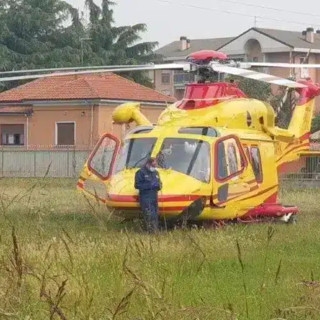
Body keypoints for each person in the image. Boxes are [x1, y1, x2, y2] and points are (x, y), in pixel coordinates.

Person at [134, 157, 162, 233]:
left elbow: (159, 182)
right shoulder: (140, 172)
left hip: (154, 196)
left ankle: (155, 230)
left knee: (155, 214)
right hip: (145, 196)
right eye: (153, 165)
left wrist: (159, 186)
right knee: (149, 214)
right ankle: (150, 231)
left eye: (155, 166)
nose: (154, 167)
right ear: (148, 164)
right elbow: (137, 185)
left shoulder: (156, 172)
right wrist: (150, 185)